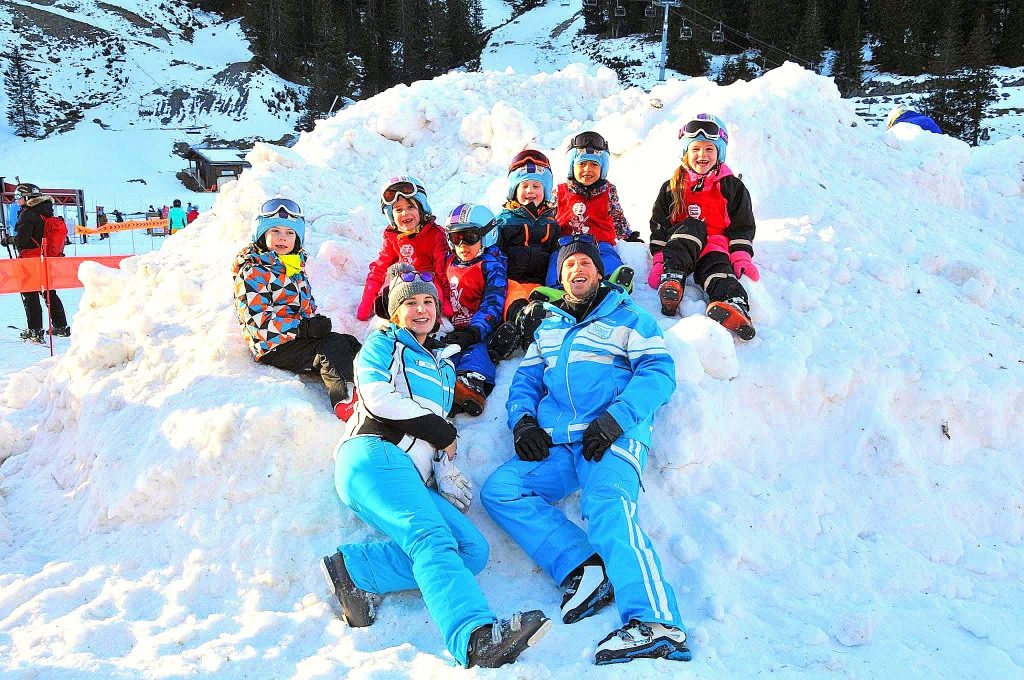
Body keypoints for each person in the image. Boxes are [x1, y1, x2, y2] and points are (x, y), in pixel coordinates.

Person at [322, 269, 550, 668]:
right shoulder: (383, 343)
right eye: (410, 302)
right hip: (373, 454)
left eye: (428, 301)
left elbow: (437, 432)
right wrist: (441, 431)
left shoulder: (443, 368)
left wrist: (443, 466)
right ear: (395, 313)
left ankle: (357, 569)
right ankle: (475, 637)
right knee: (430, 538)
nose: (421, 308)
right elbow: (378, 398)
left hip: (409, 473)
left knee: (472, 550)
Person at [481, 235, 690, 666]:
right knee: (501, 489)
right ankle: (583, 567)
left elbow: (659, 372)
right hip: (560, 443)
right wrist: (522, 422)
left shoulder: (629, 318)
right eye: (569, 264)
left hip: (611, 437)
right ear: (561, 276)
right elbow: (525, 383)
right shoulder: (549, 328)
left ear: (598, 272)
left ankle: (657, 622)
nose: (578, 270)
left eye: (585, 263)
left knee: (607, 505)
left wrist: (617, 418)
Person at [232, 198, 361, 419]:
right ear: (261, 235)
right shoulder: (254, 271)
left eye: (290, 233)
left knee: (346, 342)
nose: (283, 237)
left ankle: (371, 376)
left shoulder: (293, 265)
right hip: (273, 345)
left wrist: (313, 322)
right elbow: (257, 322)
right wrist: (303, 329)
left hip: (293, 338)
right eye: (275, 231)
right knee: (331, 346)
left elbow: (301, 306)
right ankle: (345, 399)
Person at [648, 113, 758, 341]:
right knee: (693, 227)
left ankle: (733, 304)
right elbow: (659, 224)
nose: (702, 155)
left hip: (714, 245)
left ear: (720, 153)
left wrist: (740, 256)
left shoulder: (732, 187)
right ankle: (672, 279)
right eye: (696, 148)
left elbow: (742, 226)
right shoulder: (672, 187)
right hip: (681, 243)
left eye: (709, 149)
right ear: (685, 153)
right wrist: (660, 259)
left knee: (718, 270)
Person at [438, 203, 508, 416]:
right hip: (455, 325)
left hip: (481, 327)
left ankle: (472, 384)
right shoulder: (450, 261)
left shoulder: (490, 265)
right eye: (455, 238)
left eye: (470, 237)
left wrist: (475, 331)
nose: (462, 245)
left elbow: (493, 301)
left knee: (476, 350)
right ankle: (444, 387)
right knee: (444, 353)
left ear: (488, 235)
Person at [546, 131, 639, 288]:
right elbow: (548, 217)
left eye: (594, 164)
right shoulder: (560, 191)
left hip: (599, 242)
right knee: (557, 260)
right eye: (582, 164)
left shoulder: (608, 190)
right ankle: (556, 288)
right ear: (572, 166)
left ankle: (614, 285)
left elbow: (617, 216)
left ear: (602, 168)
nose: (588, 169)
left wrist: (627, 235)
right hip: (568, 243)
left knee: (609, 257)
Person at [355, 176, 452, 321]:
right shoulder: (392, 235)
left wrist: (445, 299)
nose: (405, 213)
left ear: (422, 208)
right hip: (401, 279)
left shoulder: (436, 234)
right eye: (398, 210)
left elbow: (442, 269)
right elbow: (380, 267)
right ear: (391, 215)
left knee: (431, 290)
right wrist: (367, 300)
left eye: (410, 207)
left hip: (427, 279)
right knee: (389, 281)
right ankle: (390, 313)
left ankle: (425, 315)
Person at [11, 184, 70, 342]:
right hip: (45, 258)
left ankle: (35, 330)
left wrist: (10, 239)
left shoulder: (27, 214)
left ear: (28, 198)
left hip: (30, 260)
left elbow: (22, 240)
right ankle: (61, 326)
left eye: (19, 197)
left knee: (30, 294)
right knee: (49, 292)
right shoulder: (45, 210)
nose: (17, 200)